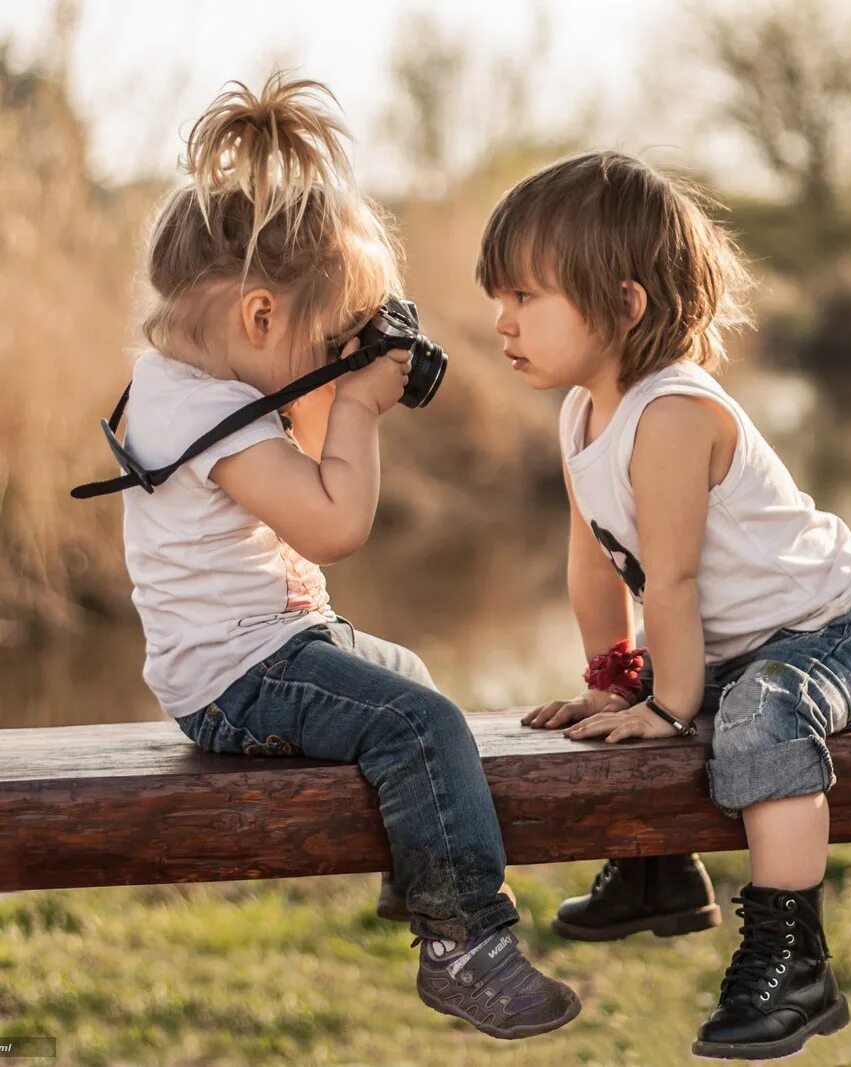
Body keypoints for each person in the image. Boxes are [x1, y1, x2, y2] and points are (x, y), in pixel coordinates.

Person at [113, 72, 579, 1040]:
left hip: (264, 646)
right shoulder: (206, 417)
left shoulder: (190, 383)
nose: (338, 356)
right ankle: (463, 941)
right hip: (237, 676)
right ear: (256, 318)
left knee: (405, 679)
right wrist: (361, 401)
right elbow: (332, 526)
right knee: (418, 722)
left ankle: (420, 872)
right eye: (327, 338)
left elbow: (305, 441)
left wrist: (333, 363)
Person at [476, 150, 851, 1060]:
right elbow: (597, 570)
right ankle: (657, 874)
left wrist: (668, 702)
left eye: (525, 297)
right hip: (752, 644)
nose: (502, 319)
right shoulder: (580, 414)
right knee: (643, 708)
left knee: (751, 710)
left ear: (625, 303)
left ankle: (792, 959)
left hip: (848, 629)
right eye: (500, 297)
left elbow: (673, 580)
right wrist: (617, 682)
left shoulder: (676, 413)